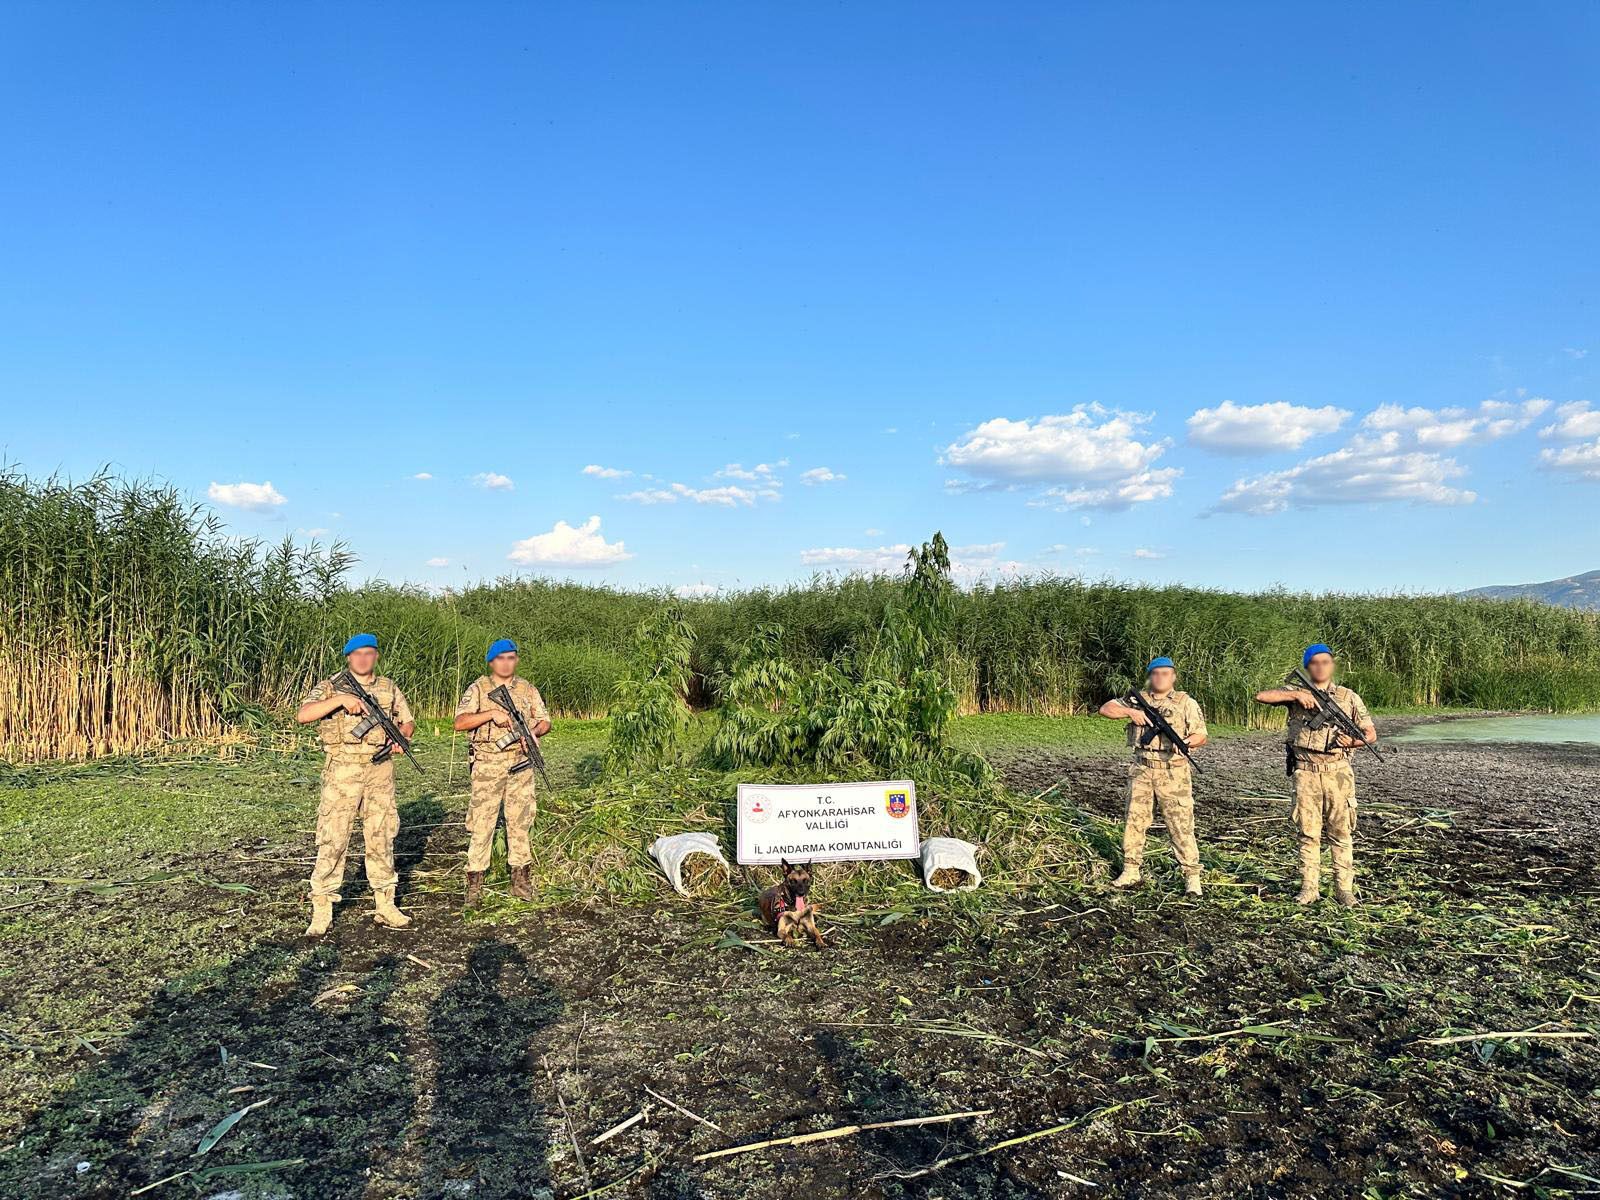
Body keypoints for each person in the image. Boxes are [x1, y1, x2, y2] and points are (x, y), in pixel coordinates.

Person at [294, 633, 415, 935]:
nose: (363, 658)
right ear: (348, 657)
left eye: (369, 653)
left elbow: (408, 721)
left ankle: (385, 904)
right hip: (342, 772)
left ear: (376, 656)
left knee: (382, 834)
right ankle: (322, 908)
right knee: (333, 837)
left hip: (380, 770)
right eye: (357, 653)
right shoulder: (331, 686)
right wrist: (341, 700)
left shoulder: (388, 688)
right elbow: (303, 714)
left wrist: (401, 736)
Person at [1254, 642, 1377, 907]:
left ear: (1332, 665)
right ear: (1308, 666)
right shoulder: (1295, 693)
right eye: (1315, 662)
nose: (1321, 666)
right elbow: (1261, 696)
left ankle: (1344, 890)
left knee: (1341, 833)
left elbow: (1370, 734)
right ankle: (1309, 889)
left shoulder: (1348, 697)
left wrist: (1351, 742)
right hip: (1306, 772)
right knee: (1308, 834)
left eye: (1325, 661)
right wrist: (1297, 695)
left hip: (1338, 773)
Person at [1098, 656, 1208, 896]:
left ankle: (1191, 877)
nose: (1160, 678)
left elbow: (1201, 734)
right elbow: (1105, 709)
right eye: (1156, 673)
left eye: (1166, 673)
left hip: (1173, 770)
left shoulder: (1185, 702)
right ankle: (1131, 870)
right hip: (1142, 768)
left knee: (1181, 824)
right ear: (1150, 676)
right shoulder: (1138, 700)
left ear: (1174, 676)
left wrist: (1187, 742)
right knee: (1135, 820)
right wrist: (1130, 712)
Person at [453, 638, 552, 905]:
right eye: (500, 658)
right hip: (488, 764)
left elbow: (545, 720)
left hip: (520, 763)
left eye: (511, 658)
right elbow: (460, 722)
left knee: (520, 820)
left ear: (516, 660)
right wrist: (489, 715)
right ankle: (474, 884)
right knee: (482, 822)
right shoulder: (478, 688)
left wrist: (533, 731)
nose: (506, 663)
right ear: (491, 661)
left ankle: (520, 880)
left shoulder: (527, 689)